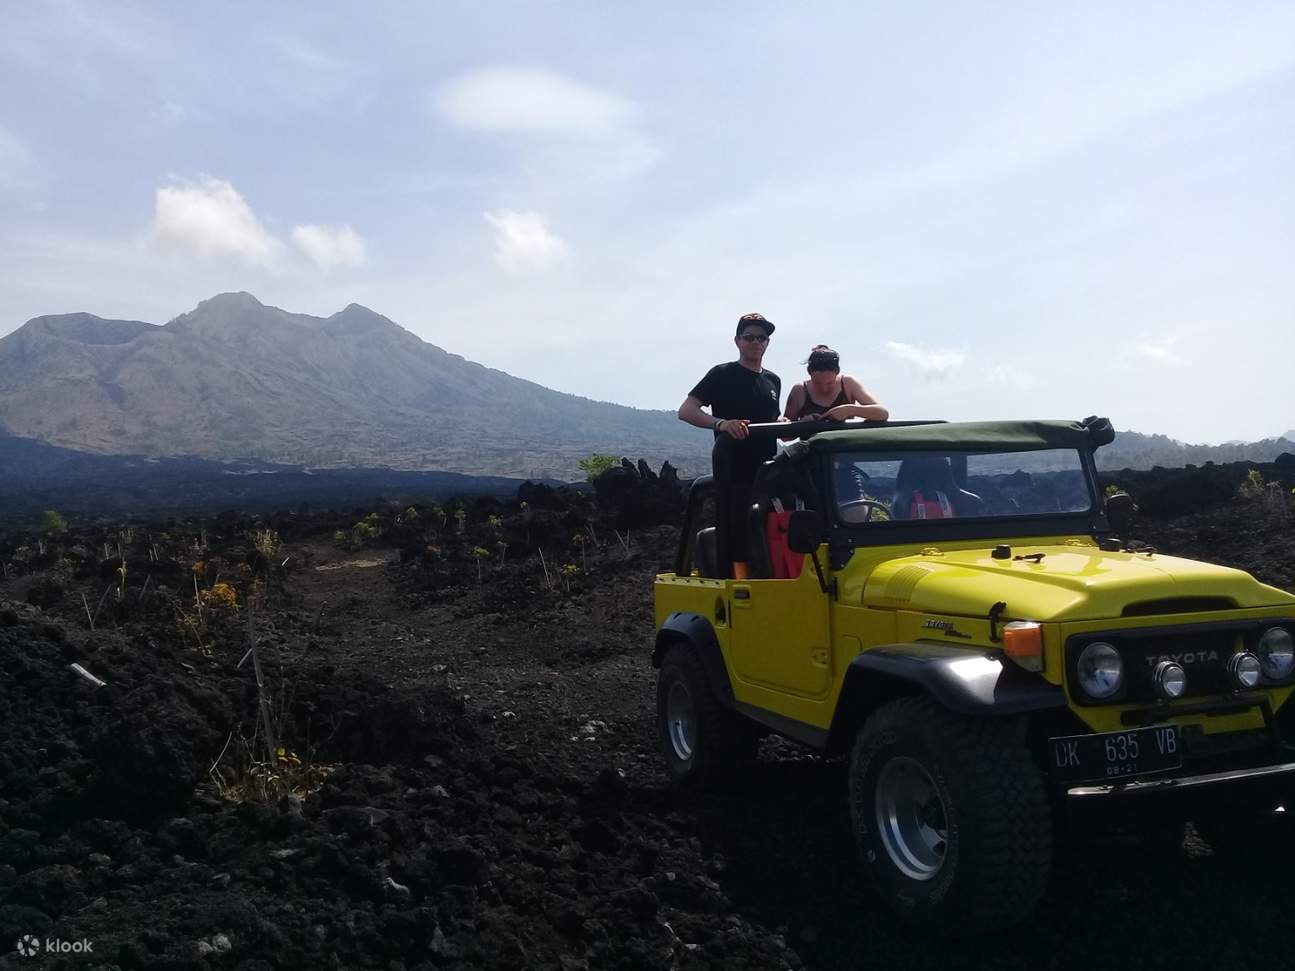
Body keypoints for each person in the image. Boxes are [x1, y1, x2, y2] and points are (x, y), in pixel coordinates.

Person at [678, 313, 783, 579]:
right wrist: (722, 424)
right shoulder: (722, 374)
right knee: (738, 533)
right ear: (737, 341)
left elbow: (773, 421)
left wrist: (788, 423)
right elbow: (687, 410)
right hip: (734, 472)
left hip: (768, 474)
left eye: (761, 338)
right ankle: (740, 584)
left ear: (768, 342)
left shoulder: (773, 381)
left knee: (774, 530)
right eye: (749, 337)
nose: (756, 342)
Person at [783, 345, 889, 422]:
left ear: (837, 372)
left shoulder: (848, 383)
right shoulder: (800, 390)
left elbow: (882, 413)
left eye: (829, 383)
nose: (824, 388)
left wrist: (849, 410)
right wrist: (802, 424)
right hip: (812, 445)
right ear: (809, 373)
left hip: (844, 445)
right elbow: (785, 436)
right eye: (818, 383)